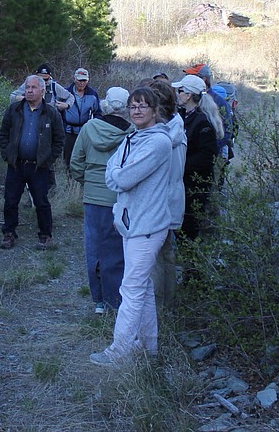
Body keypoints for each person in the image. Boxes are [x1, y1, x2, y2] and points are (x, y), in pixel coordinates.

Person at [89, 86, 181, 366]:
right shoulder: (132, 137)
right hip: (131, 223)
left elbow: (123, 178)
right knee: (142, 287)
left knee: (130, 288)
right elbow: (113, 171)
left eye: (143, 106)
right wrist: (117, 175)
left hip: (148, 225)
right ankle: (148, 348)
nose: (137, 110)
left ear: (155, 111)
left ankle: (120, 351)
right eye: (133, 106)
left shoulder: (158, 143)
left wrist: (117, 175)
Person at [69, 86, 133, 314]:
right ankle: (114, 299)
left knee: (93, 248)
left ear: (105, 104)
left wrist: (87, 183)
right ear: (126, 107)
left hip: (93, 197)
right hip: (120, 198)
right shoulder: (132, 132)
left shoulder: (89, 128)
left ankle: (98, 300)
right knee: (116, 250)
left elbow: (76, 162)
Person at [0, 75, 65, 250]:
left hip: (39, 166)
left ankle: (45, 235)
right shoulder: (15, 109)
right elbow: (4, 133)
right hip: (16, 164)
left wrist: (48, 160)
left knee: (41, 202)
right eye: (27, 87)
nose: (29, 90)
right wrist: (7, 154)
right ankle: (9, 233)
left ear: (42, 91)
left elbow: (59, 139)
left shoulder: (51, 112)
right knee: (10, 200)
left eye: (33, 87)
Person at [147, 79, 186, 309]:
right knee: (165, 253)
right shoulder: (177, 128)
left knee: (157, 257)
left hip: (160, 202)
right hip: (170, 199)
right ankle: (166, 305)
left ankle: (159, 308)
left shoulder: (163, 137)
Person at [172, 74, 221, 242]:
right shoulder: (180, 117)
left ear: (189, 95)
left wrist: (180, 166)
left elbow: (207, 156)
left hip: (195, 187)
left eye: (180, 90)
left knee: (189, 229)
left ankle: (190, 266)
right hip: (182, 183)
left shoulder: (202, 122)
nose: (177, 94)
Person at [184, 63, 232, 159]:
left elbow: (228, 129)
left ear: (204, 79)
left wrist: (211, 149)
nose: (187, 78)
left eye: (192, 76)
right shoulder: (186, 98)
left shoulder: (218, 101)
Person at [61, 67, 101, 164]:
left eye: (84, 80)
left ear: (87, 80)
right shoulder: (65, 93)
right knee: (68, 156)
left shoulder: (92, 94)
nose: (81, 83)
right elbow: (58, 112)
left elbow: (98, 113)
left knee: (84, 155)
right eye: (79, 80)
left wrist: (94, 127)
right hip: (68, 131)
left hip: (85, 131)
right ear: (74, 79)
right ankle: (68, 176)